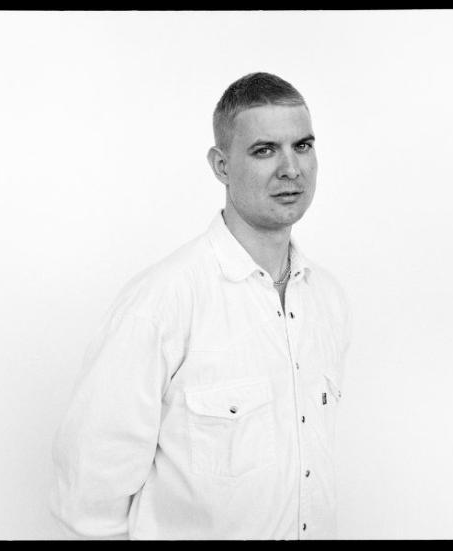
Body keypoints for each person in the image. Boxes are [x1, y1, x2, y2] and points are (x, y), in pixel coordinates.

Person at [50, 72, 352, 540]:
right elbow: (88, 500)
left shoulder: (326, 298)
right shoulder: (161, 304)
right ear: (221, 165)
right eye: (264, 150)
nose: (291, 168)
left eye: (303, 146)